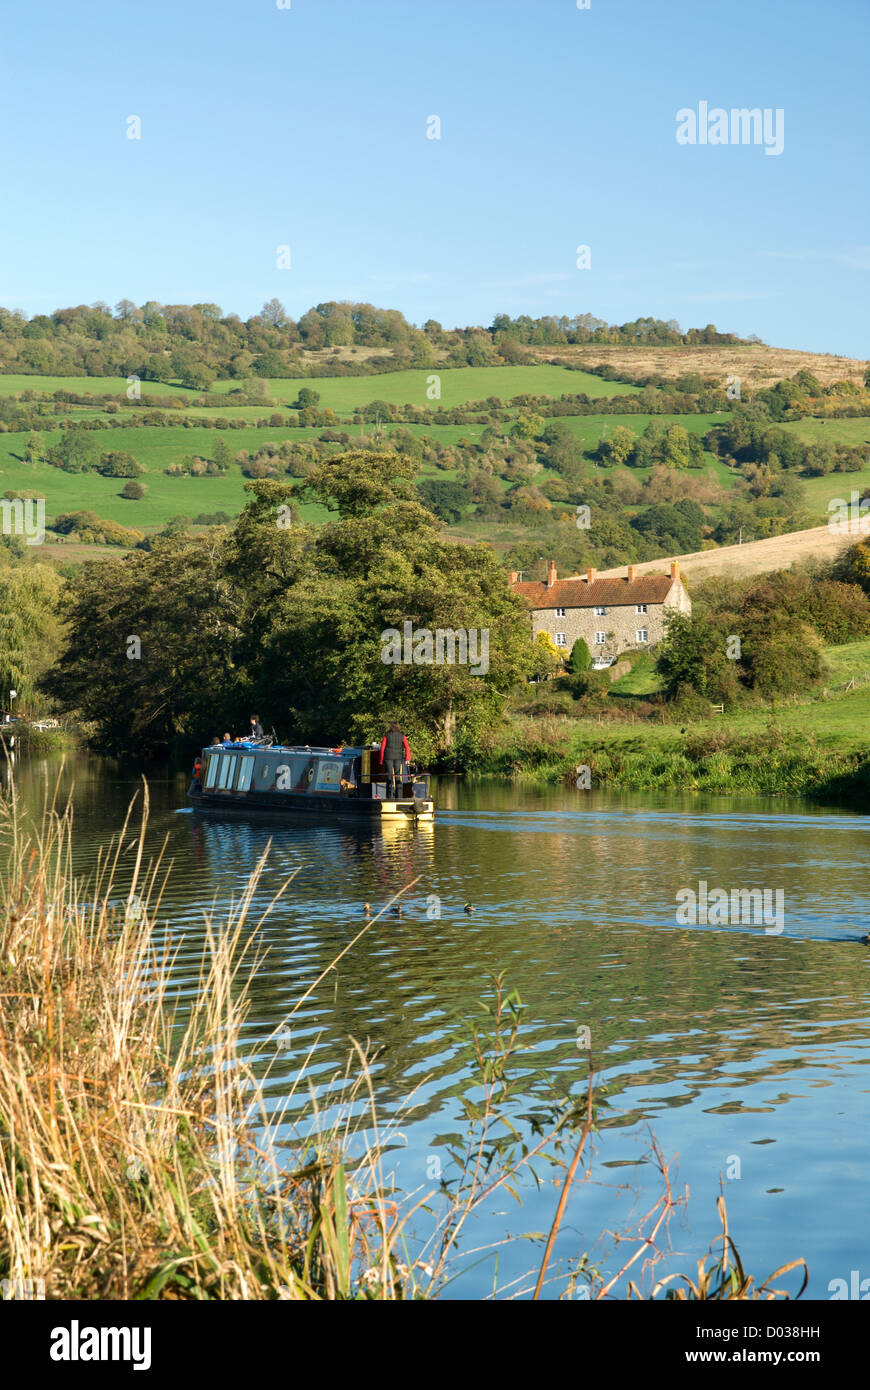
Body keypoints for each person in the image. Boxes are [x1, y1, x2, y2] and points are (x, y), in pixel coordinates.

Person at [380, 721, 410, 799]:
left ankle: (390, 796)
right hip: (398, 758)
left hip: (388, 757)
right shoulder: (402, 736)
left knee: (390, 776)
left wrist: (381, 760)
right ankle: (399, 796)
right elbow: (407, 747)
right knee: (398, 776)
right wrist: (407, 758)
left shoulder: (387, 735)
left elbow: (382, 748)